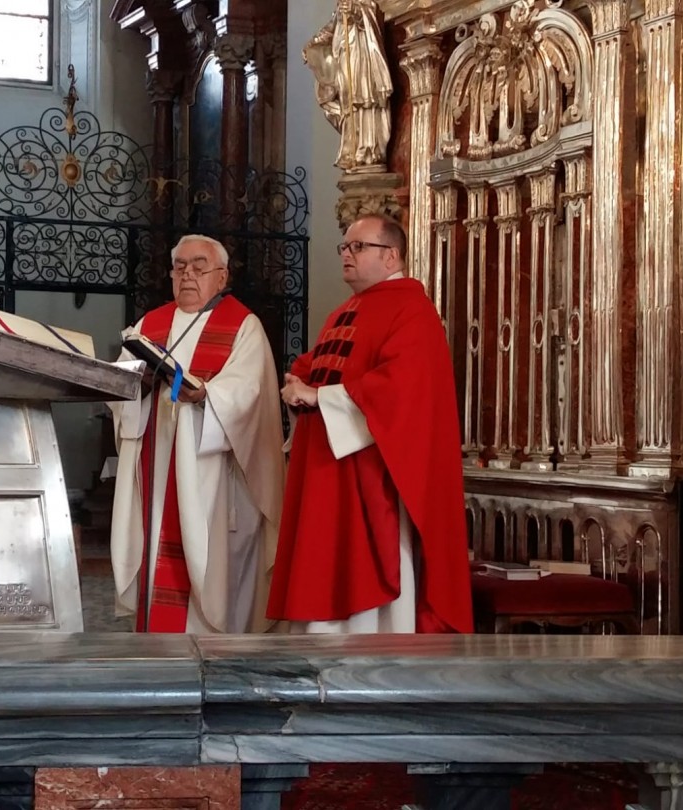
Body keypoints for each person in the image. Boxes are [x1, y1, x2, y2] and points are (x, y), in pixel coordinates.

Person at [268, 214, 473, 634]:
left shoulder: (412, 309)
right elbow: (322, 365)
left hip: (372, 471)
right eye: (344, 247)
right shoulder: (348, 310)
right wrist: (297, 383)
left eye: (358, 247)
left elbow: (401, 389)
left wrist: (318, 396)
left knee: (365, 558)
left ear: (391, 255)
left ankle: (372, 644)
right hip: (329, 461)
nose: (346, 254)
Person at [109, 235, 285, 633]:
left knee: (212, 562)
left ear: (221, 276)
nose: (188, 275)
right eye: (180, 267)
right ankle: (160, 648)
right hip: (157, 465)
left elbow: (250, 394)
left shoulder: (243, 327)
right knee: (157, 547)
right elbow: (120, 385)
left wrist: (207, 395)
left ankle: (218, 650)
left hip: (212, 475)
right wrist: (137, 384)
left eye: (199, 267)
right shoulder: (149, 325)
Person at [303, 0, 393, 172]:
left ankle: (368, 150)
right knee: (346, 102)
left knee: (364, 99)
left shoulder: (365, 3)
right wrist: (312, 45)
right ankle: (353, 149)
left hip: (362, 56)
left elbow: (373, 17)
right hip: (345, 57)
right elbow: (332, 27)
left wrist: (356, 13)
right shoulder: (342, 5)